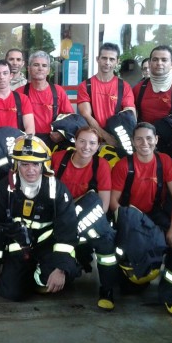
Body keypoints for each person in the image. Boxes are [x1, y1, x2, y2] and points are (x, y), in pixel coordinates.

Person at [110, 122, 172, 316]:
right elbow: (113, 202)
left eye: (149, 138)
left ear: (156, 140)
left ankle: (171, 296)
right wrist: (134, 227)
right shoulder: (123, 165)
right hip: (131, 218)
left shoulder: (164, 161)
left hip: (156, 214)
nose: (145, 143)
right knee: (130, 288)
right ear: (133, 141)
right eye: (139, 139)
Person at [0, 135, 79, 301]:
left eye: (35, 164)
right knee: (11, 293)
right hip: (19, 247)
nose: (31, 170)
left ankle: (43, 276)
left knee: (58, 277)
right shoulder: (4, 189)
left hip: (48, 246)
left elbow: (67, 232)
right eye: (24, 164)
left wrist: (61, 268)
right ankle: (24, 276)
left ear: (43, 165)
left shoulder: (57, 190)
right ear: (16, 165)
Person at [51, 126, 117, 310]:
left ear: (98, 146)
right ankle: (72, 264)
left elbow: (103, 206)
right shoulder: (58, 158)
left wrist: (80, 221)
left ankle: (107, 289)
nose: (87, 147)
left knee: (105, 240)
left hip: (90, 217)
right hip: (60, 216)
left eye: (92, 143)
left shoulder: (101, 165)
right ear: (75, 141)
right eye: (82, 141)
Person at [77, 43, 135, 147]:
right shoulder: (85, 86)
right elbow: (86, 115)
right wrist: (106, 137)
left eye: (112, 59)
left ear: (117, 61)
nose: (107, 62)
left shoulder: (124, 87)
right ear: (97, 59)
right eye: (104, 58)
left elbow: (130, 115)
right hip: (94, 139)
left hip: (119, 138)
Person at [16, 51, 74, 146]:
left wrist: (61, 134)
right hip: (27, 141)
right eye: (36, 65)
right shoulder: (19, 92)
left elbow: (70, 118)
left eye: (44, 65)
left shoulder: (58, 91)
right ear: (29, 69)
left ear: (48, 70)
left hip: (53, 141)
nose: (40, 68)